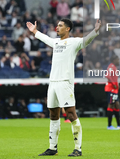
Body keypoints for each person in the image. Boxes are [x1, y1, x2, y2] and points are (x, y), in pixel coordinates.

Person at [27, 18, 101, 157]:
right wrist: (35, 31)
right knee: (53, 115)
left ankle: (78, 149)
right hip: (53, 83)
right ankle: (52, 148)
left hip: (65, 82)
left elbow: (86, 41)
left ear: (67, 29)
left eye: (60, 26)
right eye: (57, 25)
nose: (57, 27)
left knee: (71, 114)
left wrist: (95, 31)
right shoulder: (55, 42)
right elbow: (45, 38)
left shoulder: (73, 42)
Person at [105, 55, 120, 130]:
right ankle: (109, 126)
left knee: (117, 105)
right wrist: (113, 84)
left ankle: (119, 125)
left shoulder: (114, 67)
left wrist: (117, 84)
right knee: (111, 105)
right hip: (110, 89)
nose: (118, 61)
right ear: (114, 60)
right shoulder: (111, 66)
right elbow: (107, 76)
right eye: (118, 60)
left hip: (114, 89)